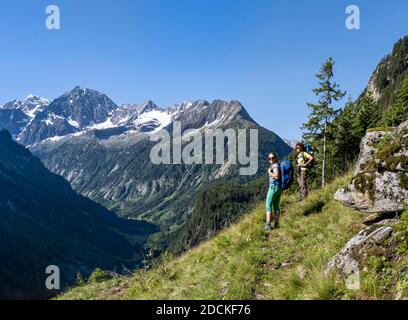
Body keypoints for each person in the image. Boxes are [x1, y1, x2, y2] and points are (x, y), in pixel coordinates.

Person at [264, 153, 283, 231]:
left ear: (275, 158)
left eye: (272, 158)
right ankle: (276, 224)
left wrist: (269, 172)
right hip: (279, 188)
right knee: (276, 206)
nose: (271, 159)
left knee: (268, 205)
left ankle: (268, 225)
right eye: (269, 158)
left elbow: (277, 176)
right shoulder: (277, 165)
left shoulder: (275, 166)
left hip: (273, 187)